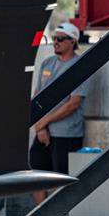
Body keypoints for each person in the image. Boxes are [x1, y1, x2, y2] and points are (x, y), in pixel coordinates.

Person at [30, 22, 89, 204]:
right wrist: (40, 127)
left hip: (66, 134)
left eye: (61, 39)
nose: (56, 42)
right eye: (55, 39)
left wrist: (43, 122)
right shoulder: (47, 64)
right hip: (43, 132)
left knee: (61, 179)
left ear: (72, 42)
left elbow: (73, 104)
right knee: (35, 177)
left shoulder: (79, 66)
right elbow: (37, 98)